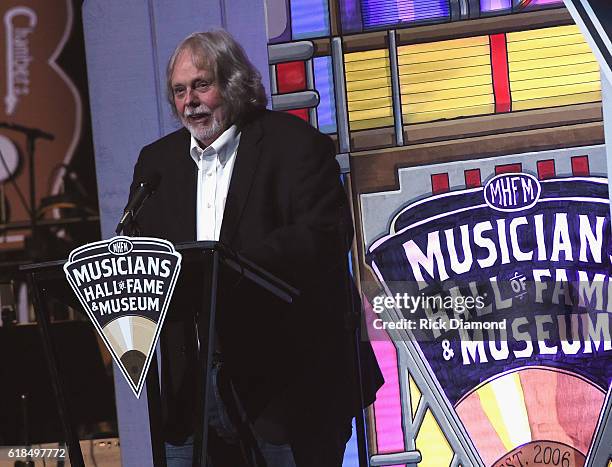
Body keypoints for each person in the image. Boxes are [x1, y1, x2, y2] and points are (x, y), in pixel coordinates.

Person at [126, 30, 383, 466]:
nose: (190, 101)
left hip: (287, 387)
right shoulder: (158, 164)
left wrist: (226, 270)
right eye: (179, 90)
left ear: (234, 84)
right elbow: (140, 251)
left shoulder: (294, 145)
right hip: (191, 394)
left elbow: (324, 235)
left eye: (202, 85)